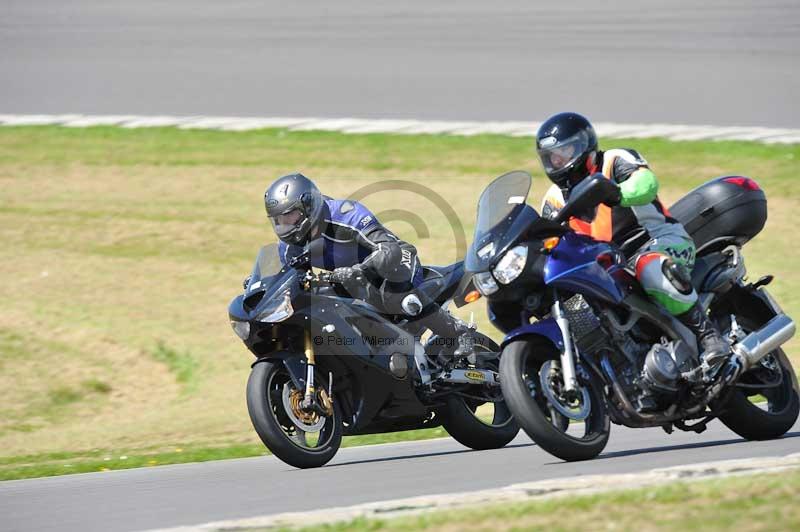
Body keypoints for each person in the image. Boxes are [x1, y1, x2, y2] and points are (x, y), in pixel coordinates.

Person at [534, 112, 728, 365]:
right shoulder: (553, 198)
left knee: (649, 266)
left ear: (583, 145)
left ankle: (709, 336)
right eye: (551, 157)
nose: (558, 161)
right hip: (608, 266)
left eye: (564, 151)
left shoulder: (614, 160)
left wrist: (616, 194)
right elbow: (551, 240)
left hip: (658, 243)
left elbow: (646, 183)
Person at [264, 172, 473, 360]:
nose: (285, 225)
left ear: (308, 206)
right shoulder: (287, 248)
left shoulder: (345, 214)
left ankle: (457, 331)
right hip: (352, 280)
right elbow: (293, 282)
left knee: (391, 292)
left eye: (290, 216)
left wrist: (360, 271)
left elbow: (389, 249)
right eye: (278, 220)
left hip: (394, 260)